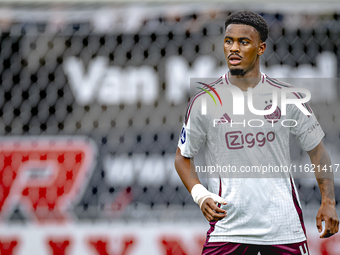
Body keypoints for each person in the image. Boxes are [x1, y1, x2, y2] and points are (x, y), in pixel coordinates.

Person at [174, 11, 339, 254]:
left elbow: (318, 152)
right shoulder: (205, 100)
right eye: (229, 41)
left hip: (283, 229)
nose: (234, 48)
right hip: (228, 229)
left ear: (261, 48)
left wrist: (328, 201)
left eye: (244, 42)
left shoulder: (288, 96)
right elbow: (182, 157)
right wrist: (200, 194)